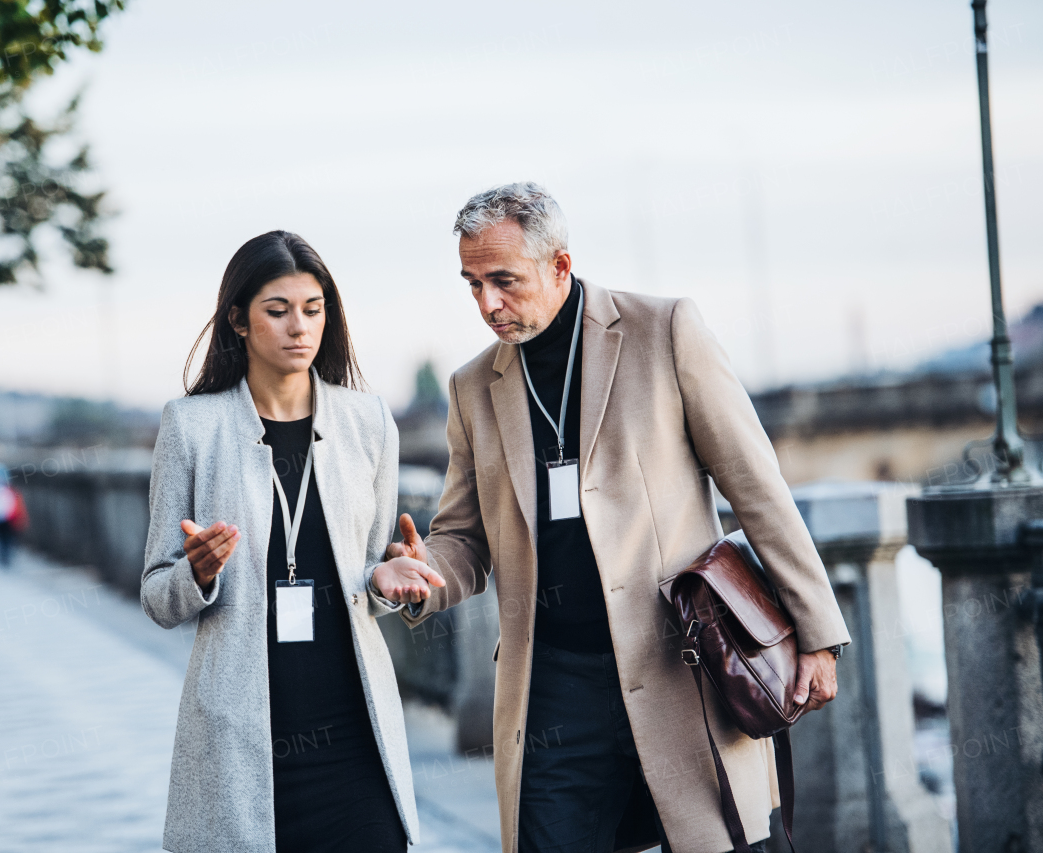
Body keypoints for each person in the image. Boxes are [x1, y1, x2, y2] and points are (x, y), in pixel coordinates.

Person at [372, 183, 851, 853]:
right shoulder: (472, 387)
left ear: (560, 266)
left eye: (503, 280)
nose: (487, 303)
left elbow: (757, 487)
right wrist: (422, 575)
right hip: (553, 686)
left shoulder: (665, 330)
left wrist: (818, 631)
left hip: (685, 664)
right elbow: (462, 538)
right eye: (472, 283)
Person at [141, 231, 423, 853]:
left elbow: (371, 575)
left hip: (356, 739)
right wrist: (198, 573)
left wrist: (386, 579)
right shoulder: (191, 427)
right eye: (278, 310)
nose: (300, 327)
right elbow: (158, 598)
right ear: (238, 320)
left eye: (313, 309)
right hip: (243, 742)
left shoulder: (369, 421)